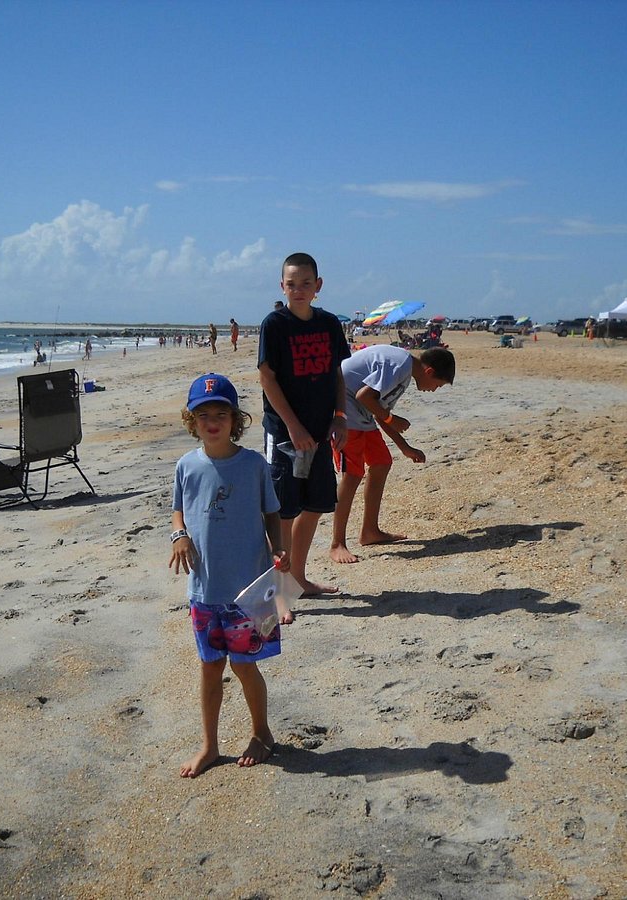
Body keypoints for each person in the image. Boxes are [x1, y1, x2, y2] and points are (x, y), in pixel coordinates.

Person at [170, 372, 290, 777]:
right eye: (204, 415)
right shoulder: (186, 466)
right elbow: (178, 510)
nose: (213, 421)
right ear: (192, 421)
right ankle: (209, 745)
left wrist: (279, 548)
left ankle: (262, 732)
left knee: (244, 666)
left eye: (222, 413)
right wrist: (179, 535)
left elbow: (272, 512)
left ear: (235, 419)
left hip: (247, 590)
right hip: (204, 589)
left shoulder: (253, 464)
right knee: (209, 668)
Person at [258, 252, 351, 597]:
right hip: (284, 434)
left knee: (315, 504)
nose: (298, 290)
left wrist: (340, 417)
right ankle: (279, 589)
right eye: (292, 284)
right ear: (282, 286)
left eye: (306, 284)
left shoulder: (328, 324)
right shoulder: (275, 324)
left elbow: (336, 374)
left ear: (318, 286)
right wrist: (293, 427)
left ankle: (298, 577)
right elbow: (267, 378)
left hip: (321, 431)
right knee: (283, 511)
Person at [329, 346, 455, 564]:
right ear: (429, 372)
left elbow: (378, 409)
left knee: (381, 462)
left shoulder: (405, 372)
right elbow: (365, 396)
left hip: (361, 413)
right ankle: (337, 543)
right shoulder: (399, 366)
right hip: (343, 411)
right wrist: (391, 419)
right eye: (437, 385)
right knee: (352, 475)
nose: (434, 390)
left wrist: (404, 446)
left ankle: (369, 532)